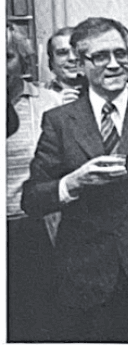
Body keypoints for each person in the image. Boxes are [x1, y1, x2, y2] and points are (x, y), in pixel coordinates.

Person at [21, 17, 128, 343]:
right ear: (81, 65)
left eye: (121, 54)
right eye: (100, 56)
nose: (114, 64)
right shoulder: (60, 121)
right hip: (86, 277)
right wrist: (72, 182)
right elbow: (31, 199)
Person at [6, 21, 63, 342]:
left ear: (24, 61)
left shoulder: (48, 103)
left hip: (35, 228)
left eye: (8, 56)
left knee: (40, 322)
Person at [43, 26, 87, 103]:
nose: (72, 58)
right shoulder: (41, 97)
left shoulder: (104, 92)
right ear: (51, 62)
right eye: (63, 53)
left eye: (77, 52)